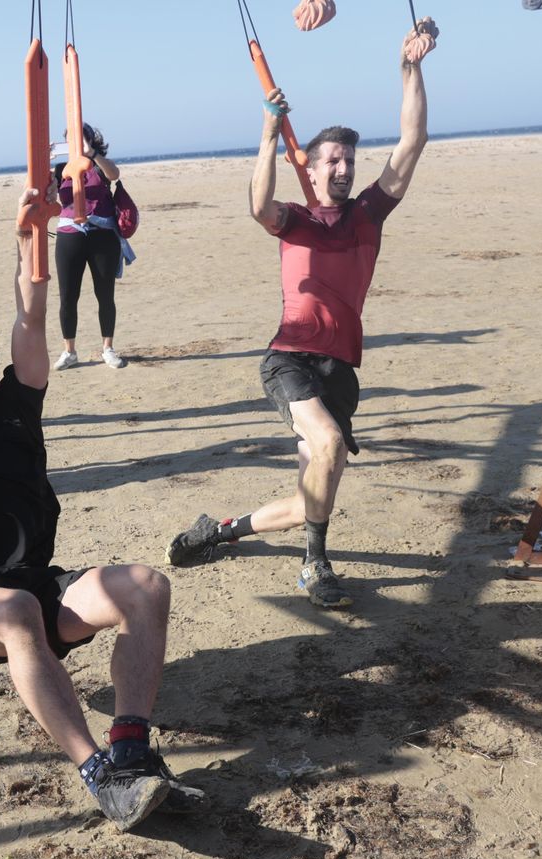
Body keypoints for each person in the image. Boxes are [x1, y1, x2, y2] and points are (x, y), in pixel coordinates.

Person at [0, 171, 204, 830]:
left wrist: (32, 229)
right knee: (20, 609)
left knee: (145, 587)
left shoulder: (20, 398)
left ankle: (131, 749)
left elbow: (31, 312)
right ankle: (98, 773)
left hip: (39, 584)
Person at [166, 18, 438, 610]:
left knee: (310, 497)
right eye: (332, 161)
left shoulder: (369, 213)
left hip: (340, 369)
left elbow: (412, 140)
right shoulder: (296, 218)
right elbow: (258, 205)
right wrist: (267, 135)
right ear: (311, 170)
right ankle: (316, 568)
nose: (344, 168)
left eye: (349, 160)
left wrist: (410, 66)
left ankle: (219, 530)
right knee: (330, 445)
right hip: (289, 357)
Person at [52, 123, 127, 371]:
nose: (75, 144)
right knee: (67, 296)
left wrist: (91, 154)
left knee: (105, 294)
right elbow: (44, 195)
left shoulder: (99, 165)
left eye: (80, 139)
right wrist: (44, 161)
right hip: (69, 235)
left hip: (102, 235)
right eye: (70, 140)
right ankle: (69, 351)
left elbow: (114, 174)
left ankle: (108, 348)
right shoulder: (61, 169)